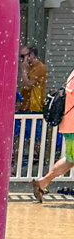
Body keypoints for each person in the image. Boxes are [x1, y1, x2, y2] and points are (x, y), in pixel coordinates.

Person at [33, 67, 74, 201]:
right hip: (72, 125)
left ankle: (43, 182)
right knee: (70, 160)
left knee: (70, 160)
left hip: (69, 125)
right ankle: (43, 181)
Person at [17, 44, 48, 113]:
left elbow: (28, 85)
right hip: (24, 106)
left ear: (32, 55)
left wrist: (24, 71)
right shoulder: (29, 67)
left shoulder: (40, 68)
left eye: (23, 56)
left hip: (34, 107)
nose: (22, 59)